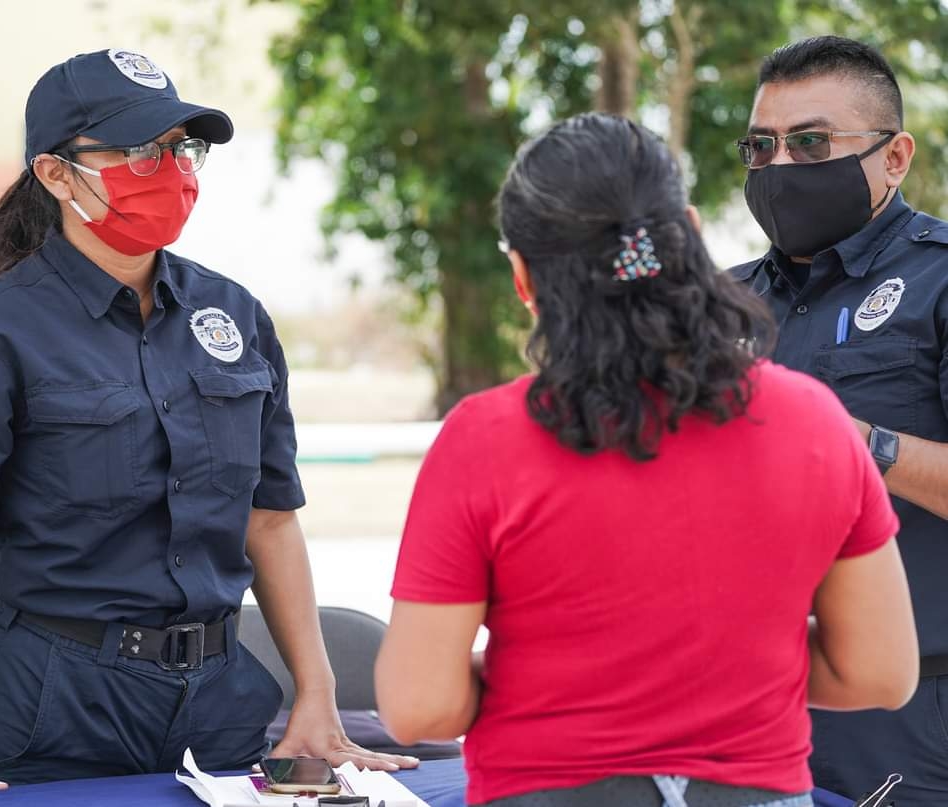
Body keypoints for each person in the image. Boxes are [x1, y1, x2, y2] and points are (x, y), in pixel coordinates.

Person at [0, 49, 415, 807]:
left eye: (180, 148)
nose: (169, 169)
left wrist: (315, 694)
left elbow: (271, 520)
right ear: (56, 174)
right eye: (135, 150)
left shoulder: (235, 316)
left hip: (221, 699)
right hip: (53, 703)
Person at [374, 112, 919, 807]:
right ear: (688, 233)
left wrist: (552, 671)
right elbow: (879, 670)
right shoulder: (816, 423)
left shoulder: (484, 438)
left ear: (523, 277)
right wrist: (729, 666)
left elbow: (420, 707)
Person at [729, 36, 948, 806]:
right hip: (741, 710)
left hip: (912, 711)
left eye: (811, 142)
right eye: (762, 146)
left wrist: (852, 441)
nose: (781, 167)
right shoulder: (716, 306)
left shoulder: (940, 280)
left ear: (895, 157)